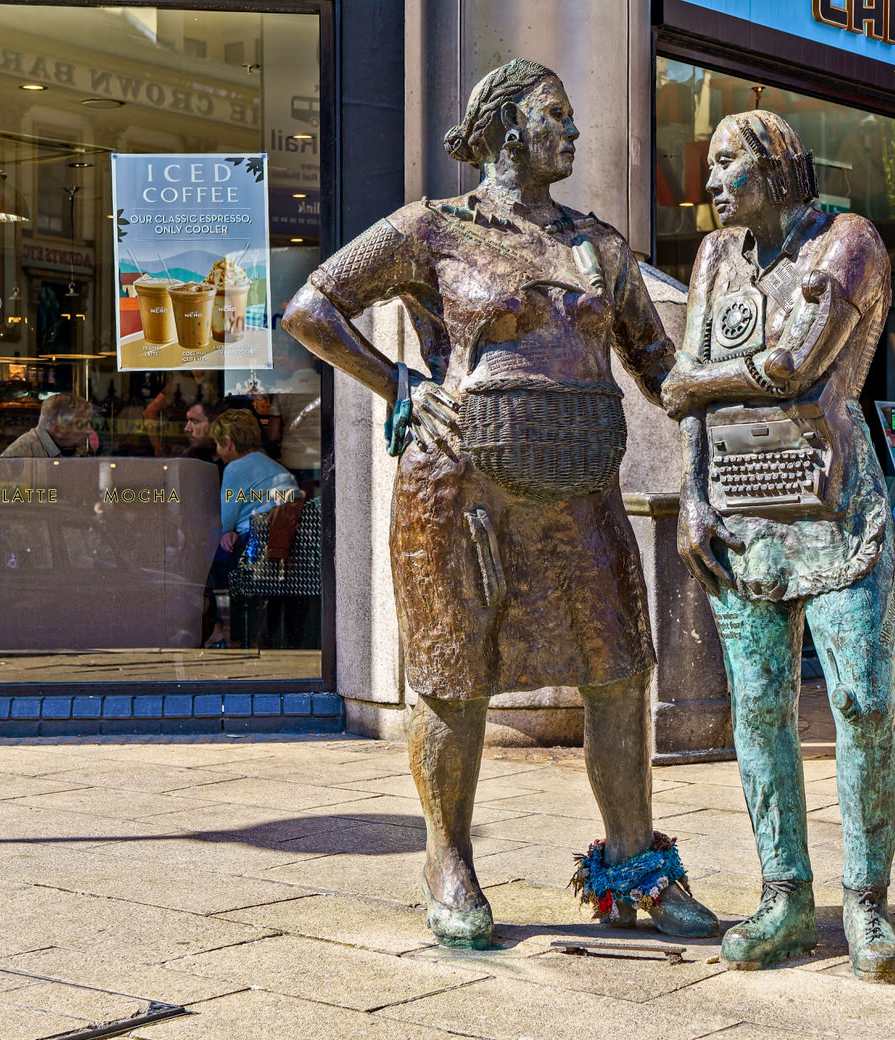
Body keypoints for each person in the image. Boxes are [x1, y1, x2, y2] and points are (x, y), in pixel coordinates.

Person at [281, 58, 717, 949]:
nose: (573, 131)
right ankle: (449, 859)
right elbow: (310, 305)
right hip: (459, 490)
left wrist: (747, 400)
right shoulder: (432, 229)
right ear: (508, 130)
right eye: (556, 115)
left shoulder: (600, 246)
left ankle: (636, 863)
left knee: (621, 669)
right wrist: (398, 380)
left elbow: (657, 363)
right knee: (453, 677)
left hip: (582, 488)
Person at [660, 110, 895, 981]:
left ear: (778, 166)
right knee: (758, 707)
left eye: (729, 165)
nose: (713, 182)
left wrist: (691, 379)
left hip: (835, 509)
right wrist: (692, 496)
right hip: (739, 510)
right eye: (711, 167)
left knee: (864, 701)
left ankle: (866, 901)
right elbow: (687, 397)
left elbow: (796, 364)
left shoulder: (849, 242)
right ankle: (785, 897)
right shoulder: (717, 257)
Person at [212, 408, 298, 546]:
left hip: (255, 540)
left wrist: (227, 531)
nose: (217, 450)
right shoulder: (273, 465)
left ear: (228, 443)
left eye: (217, 443)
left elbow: (226, 520)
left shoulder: (234, 469)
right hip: (284, 538)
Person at [0, 393, 97, 458]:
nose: (90, 431)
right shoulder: (20, 455)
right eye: (81, 425)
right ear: (59, 430)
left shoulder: (76, 448)